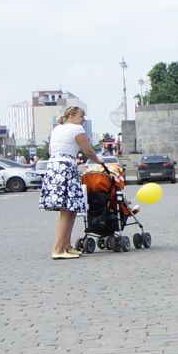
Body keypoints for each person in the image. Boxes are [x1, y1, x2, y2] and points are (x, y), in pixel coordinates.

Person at [40, 105, 107, 259]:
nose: (83, 119)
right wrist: (99, 160)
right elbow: (88, 151)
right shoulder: (77, 129)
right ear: (71, 116)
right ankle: (58, 250)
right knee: (67, 210)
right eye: (81, 116)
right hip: (66, 168)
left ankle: (67, 246)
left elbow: (51, 150)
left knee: (71, 210)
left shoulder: (57, 129)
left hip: (54, 167)